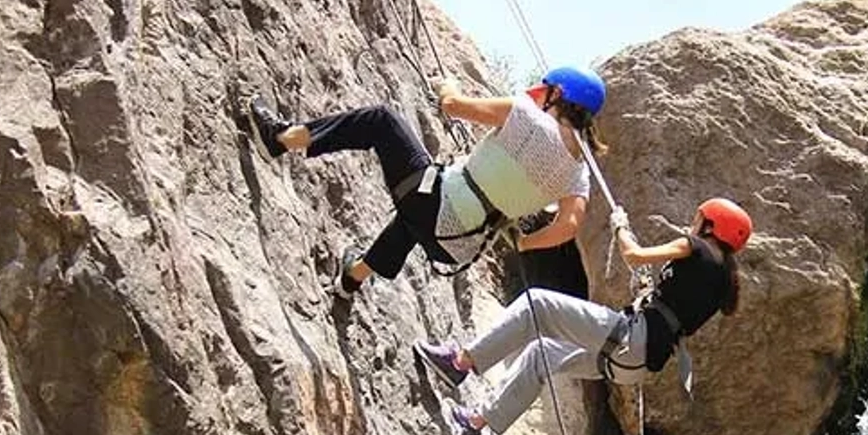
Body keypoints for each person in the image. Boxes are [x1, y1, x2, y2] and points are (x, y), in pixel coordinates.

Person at [413, 198, 752, 435]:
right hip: (637, 365)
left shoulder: (693, 246)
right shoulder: (724, 279)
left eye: (699, 218)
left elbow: (633, 256)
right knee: (541, 355)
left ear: (711, 227)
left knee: (538, 304)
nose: (693, 223)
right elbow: (678, 306)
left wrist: (620, 227)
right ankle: (475, 422)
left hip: (630, 339)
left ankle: (460, 361)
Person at [246, 66, 608, 294]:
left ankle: (281, 139)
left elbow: (454, 107)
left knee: (381, 120)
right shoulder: (578, 171)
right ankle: (351, 278)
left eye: (545, 89)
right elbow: (569, 227)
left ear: (557, 94)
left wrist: (447, 87)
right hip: (457, 246)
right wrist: (525, 245)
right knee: (414, 217)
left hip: (436, 206)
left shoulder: (527, 113)